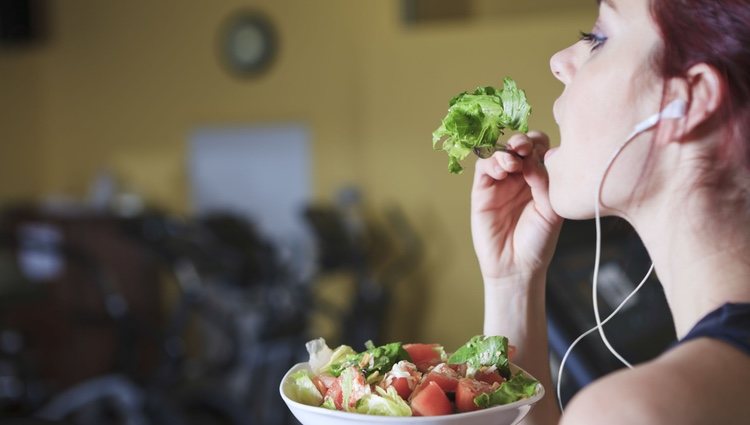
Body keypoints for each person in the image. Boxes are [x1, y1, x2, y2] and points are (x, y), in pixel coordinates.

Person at [472, 0, 750, 424]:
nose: (559, 61)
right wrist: (513, 281)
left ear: (690, 101)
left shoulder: (635, 412)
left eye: (598, 39)